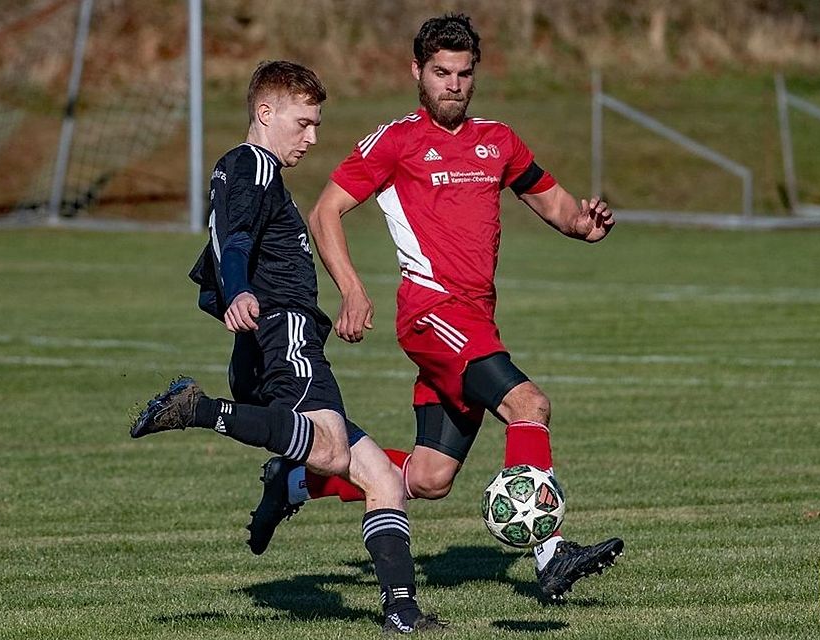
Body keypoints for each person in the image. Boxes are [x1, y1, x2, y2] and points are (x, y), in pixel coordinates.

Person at [250, 14, 624, 603]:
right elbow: (325, 211)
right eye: (440, 72)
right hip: (432, 314)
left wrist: (585, 224)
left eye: (463, 73)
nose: (453, 83)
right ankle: (552, 556)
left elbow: (557, 206)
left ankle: (296, 480)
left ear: (475, 76)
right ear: (418, 74)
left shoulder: (498, 141)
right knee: (530, 405)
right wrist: (351, 288)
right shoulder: (395, 142)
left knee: (428, 479)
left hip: (477, 318)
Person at [129, 60, 442, 634]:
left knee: (381, 477)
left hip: (275, 336)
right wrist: (240, 290)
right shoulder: (249, 163)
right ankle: (198, 409)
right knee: (328, 453)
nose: (312, 138)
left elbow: (236, 232)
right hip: (283, 330)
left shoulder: (264, 173)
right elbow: (232, 233)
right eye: (303, 123)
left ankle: (401, 611)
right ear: (265, 113)